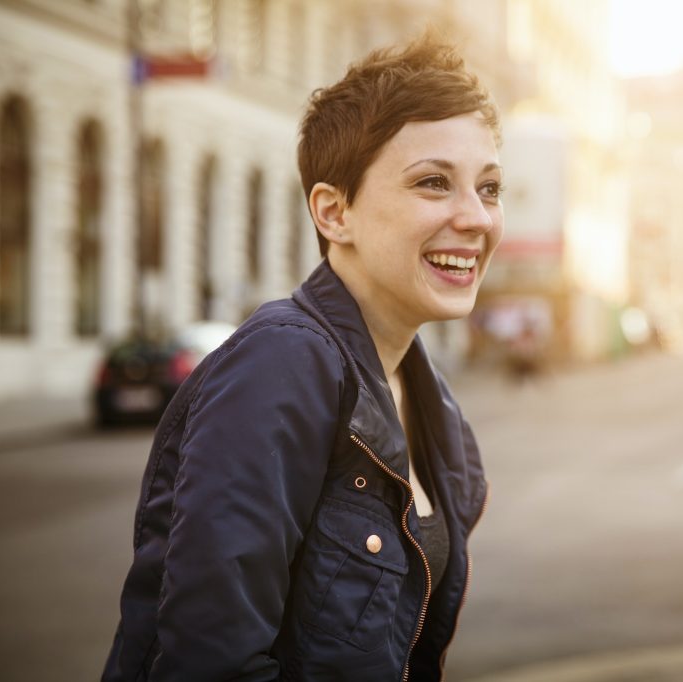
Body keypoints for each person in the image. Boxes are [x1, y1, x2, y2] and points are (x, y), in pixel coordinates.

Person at [102, 34, 503, 682]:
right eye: (434, 183)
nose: (477, 217)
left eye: (489, 188)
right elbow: (210, 663)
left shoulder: (431, 401)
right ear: (334, 211)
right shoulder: (283, 364)